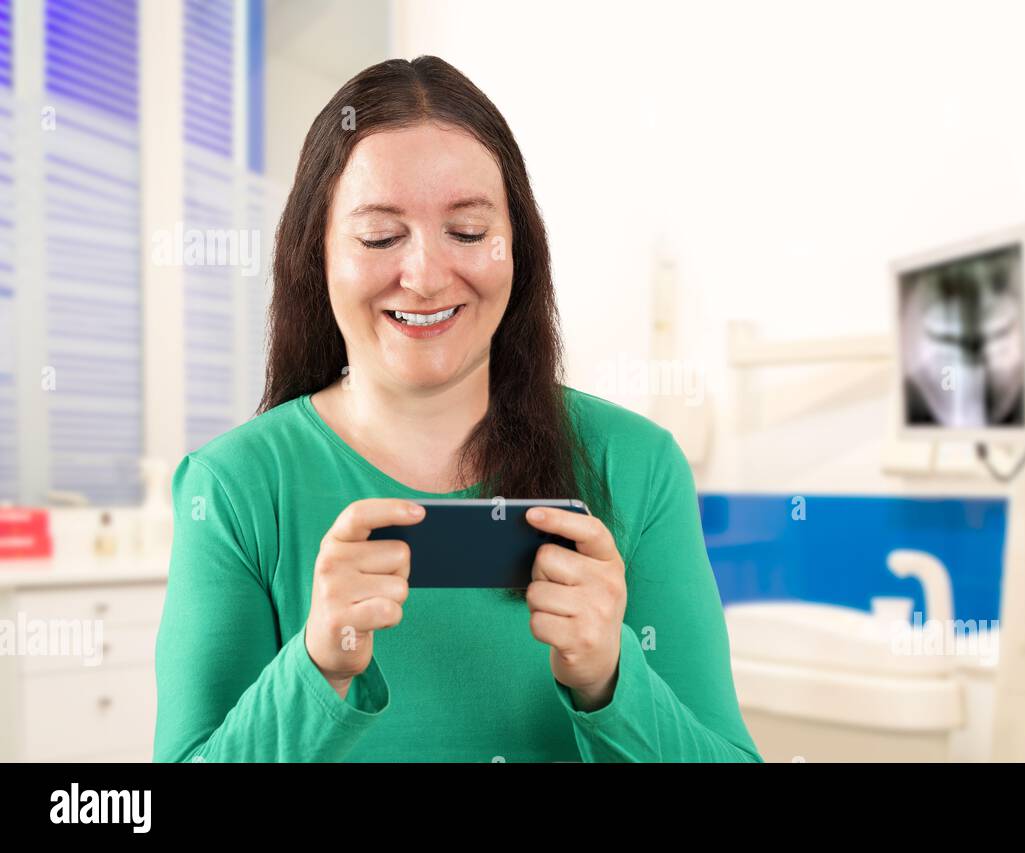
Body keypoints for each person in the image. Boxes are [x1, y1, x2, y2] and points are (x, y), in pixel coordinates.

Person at [151, 56, 761, 762]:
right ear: (315, 255)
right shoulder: (231, 487)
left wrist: (611, 681)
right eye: (381, 236)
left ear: (518, 250)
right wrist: (315, 669)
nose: (427, 275)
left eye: (468, 233)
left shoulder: (638, 466)